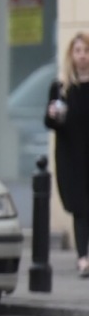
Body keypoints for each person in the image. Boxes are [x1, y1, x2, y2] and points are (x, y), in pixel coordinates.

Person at [44, 32, 89, 276]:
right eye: (78, 51)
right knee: (80, 207)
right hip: (71, 156)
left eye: (86, 51)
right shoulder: (61, 87)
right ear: (71, 55)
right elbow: (50, 124)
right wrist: (53, 115)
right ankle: (83, 257)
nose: (82, 56)